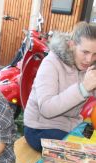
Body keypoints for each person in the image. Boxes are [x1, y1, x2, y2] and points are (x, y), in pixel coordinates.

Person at [24, 21, 96, 152]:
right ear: (72, 45)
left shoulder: (89, 66)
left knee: (93, 140)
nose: (89, 59)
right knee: (84, 153)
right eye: (85, 52)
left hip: (71, 126)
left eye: (95, 54)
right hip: (40, 129)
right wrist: (83, 89)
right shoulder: (51, 63)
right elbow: (46, 108)